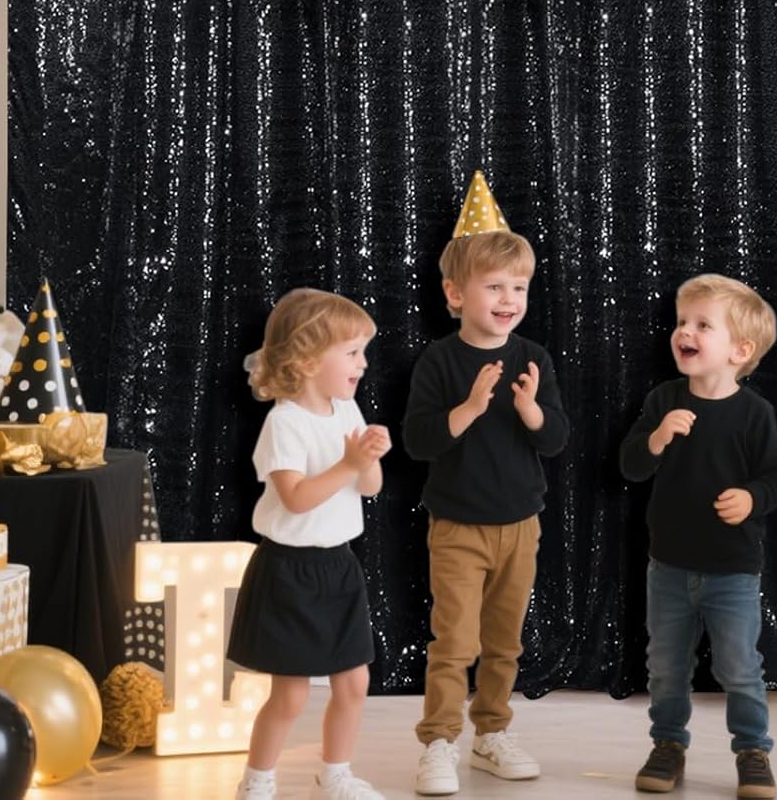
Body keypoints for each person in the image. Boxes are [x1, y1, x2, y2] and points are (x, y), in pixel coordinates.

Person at [402, 171, 569, 796]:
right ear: (455, 292)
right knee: (454, 642)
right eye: (494, 285)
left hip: (520, 525)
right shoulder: (439, 360)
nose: (509, 298)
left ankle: (492, 732)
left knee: (504, 643)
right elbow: (420, 441)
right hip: (457, 527)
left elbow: (555, 439)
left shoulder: (533, 358)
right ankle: (439, 741)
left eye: (518, 287)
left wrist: (531, 411)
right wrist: (470, 407)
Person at [620, 273, 777, 800]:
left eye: (702, 325)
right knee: (666, 667)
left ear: (740, 350)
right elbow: (631, 465)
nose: (684, 332)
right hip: (669, 566)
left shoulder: (755, 414)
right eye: (681, 322)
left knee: (739, 667)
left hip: (732, 569)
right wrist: (657, 437)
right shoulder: (664, 399)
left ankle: (752, 750)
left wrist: (751, 499)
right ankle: (668, 743)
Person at [229, 287, 392, 800]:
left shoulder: (347, 410)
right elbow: (296, 498)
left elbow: (370, 488)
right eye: (352, 352)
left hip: (338, 567)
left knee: (354, 683)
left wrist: (368, 459)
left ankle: (336, 774)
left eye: (363, 351)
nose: (363, 364)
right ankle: (257, 781)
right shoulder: (284, 423)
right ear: (306, 360)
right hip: (289, 570)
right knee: (291, 695)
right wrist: (348, 463)